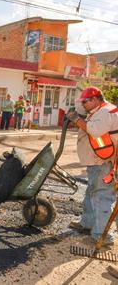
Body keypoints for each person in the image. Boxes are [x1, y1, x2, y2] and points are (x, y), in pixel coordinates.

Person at [67, 87, 118, 245]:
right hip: (96, 161)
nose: (83, 105)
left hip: (102, 162)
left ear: (95, 99)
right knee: (91, 192)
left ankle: (103, 235)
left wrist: (76, 119)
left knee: (101, 195)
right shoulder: (99, 111)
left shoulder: (105, 112)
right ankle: (87, 224)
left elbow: (94, 130)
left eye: (85, 101)